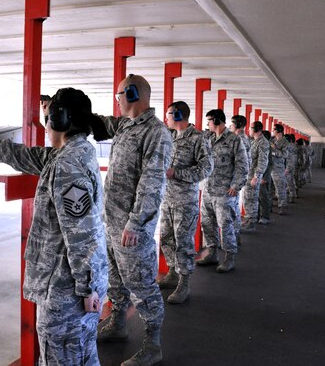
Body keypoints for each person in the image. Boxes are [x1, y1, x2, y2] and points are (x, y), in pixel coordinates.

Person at [0, 88, 108, 365]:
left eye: (48, 118)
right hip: (75, 288)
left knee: (62, 357)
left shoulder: (67, 165)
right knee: (83, 354)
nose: (46, 127)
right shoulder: (71, 155)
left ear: (59, 120)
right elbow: (16, 154)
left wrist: (87, 288)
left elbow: (83, 235)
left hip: (67, 292)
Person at [95, 74, 172, 366]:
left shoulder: (156, 132)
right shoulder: (126, 125)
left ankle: (153, 344)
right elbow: (98, 123)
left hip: (131, 228)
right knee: (115, 278)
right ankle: (118, 323)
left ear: (132, 93)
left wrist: (136, 224)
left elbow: (152, 183)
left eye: (119, 94)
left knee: (141, 284)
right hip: (112, 222)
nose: (116, 99)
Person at [157, 101, 212, 304]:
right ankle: (172, 272)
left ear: (179, 115)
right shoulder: (170, 137)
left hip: (185, 200)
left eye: (169, 114)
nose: (166, 118)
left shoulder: (198, 138)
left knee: (184, 241)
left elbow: (206, 169)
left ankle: (184, 282)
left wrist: (176, 173)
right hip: (167, 199)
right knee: (167, 238)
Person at [196, 109, 249, 272]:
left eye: (209, 121)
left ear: (217, 121)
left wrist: (236, 185)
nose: (207, 124)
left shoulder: (234, 140)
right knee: (207, 224)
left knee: (225, 225)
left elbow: (242, 165)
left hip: (225, 192)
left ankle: (229, 257)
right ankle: (212, 253)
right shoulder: (207, 138)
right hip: (207, 190)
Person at [242, 121, 269, 231]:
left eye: (251, 128)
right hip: (249, 175)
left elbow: (263, 161)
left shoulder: (263, 143)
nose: (249, 129)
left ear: (256, 129)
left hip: (254, 176)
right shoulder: (254, 141)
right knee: (247, 198)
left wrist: (257, 176)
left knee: (252, 199)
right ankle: (249, 219)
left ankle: (251, 222)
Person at [229, 115, 251, 243]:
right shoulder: (243, 138)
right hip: (236, 178)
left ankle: (235, 236)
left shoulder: (239, 139)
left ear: (237, 124)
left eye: (232, 124)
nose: (230, 126)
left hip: (234, 179)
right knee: (234, 207)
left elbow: (241, 163)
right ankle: (235, 235)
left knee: (233, 209)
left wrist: (236, 183)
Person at [270, 124, 289, 215]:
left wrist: (274, 149)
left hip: (278, 168)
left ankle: (282, 205)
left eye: (274, 129)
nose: (273, 131)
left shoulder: (285, 142)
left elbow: (285, 155)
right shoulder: (273, 140)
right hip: (270, 167)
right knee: (271, 188)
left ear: (278, 131)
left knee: (280, 187)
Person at [258, 130, 273, 225]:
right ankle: (260, 215)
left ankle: (265, 216)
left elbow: (269, 164)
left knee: (264, 197)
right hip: (261, 175)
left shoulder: (267, 147)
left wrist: (265, 178)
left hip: (264, 176)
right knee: (259, 197)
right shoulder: (264, 146)